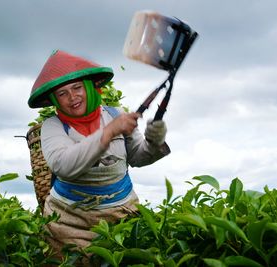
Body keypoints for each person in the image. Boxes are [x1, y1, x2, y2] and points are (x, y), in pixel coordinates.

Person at [28, 50, 170, 262]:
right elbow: (64, 165)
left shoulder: (115, 114)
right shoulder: (53, 126)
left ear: (90, 87)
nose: (72, 97)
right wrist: (110, 132)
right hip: (68, 222)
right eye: (62, 93)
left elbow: (138, 157)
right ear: (54, 99)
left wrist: (154, 141)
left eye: (77, 88)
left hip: (121, 213)